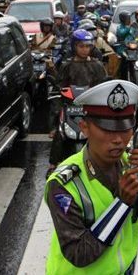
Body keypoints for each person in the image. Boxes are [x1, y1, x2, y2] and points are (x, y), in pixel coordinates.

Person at [45, 80, 138, 275]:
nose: (118, 139)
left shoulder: (130, 163)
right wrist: (122, 204)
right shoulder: (64, 183)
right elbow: (79, 254)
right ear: (85, 127)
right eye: (108, 130)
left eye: (124, 129)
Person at [48, 30, 108, 170]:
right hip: (70, 106)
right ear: (74, 46)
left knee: (102, 133)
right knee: (60, 133)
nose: (85, 49)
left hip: (91, 107)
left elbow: (103, 85)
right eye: (81, 46)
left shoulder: (97, 65)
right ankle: (52, 164)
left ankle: (105, 163)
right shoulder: (66, 65)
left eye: (88, 46)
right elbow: (59, 87)